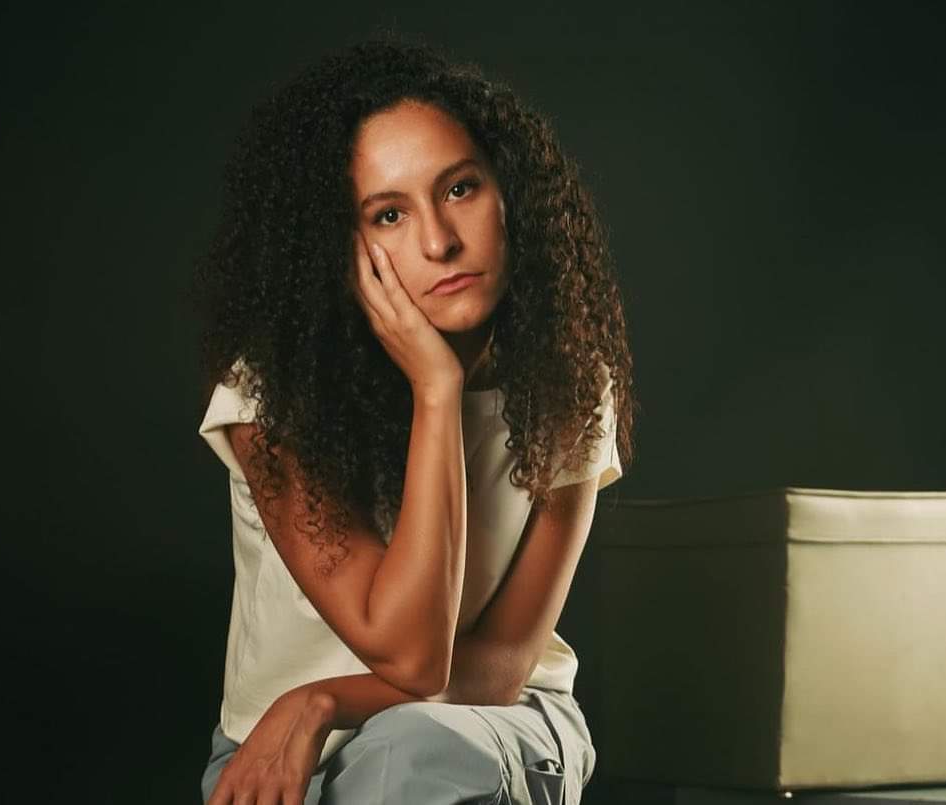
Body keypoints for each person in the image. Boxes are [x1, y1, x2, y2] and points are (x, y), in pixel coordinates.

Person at [192, 34, 635, 805]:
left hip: (489, 723)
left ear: (510, 192)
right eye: (389, 213)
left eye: (460, 188)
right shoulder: (270, 397)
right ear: (340, 247)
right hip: (283, 757)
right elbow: (405, 648)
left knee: (416, 751)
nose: (438, 241)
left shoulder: (566, 384)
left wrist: (318, 699)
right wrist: (437, 387)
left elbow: (497, 665)